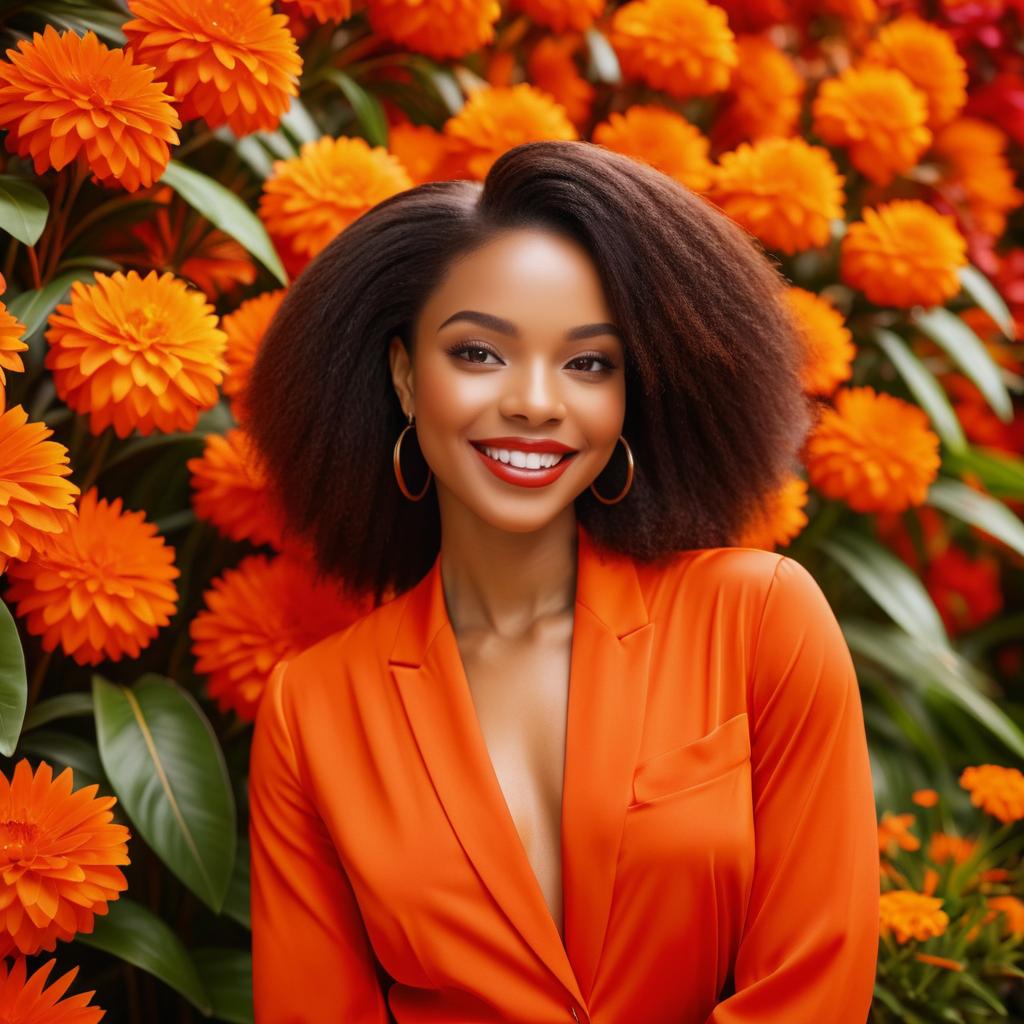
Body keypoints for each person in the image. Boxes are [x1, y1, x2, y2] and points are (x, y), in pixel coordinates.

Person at [242, 140, 880, 1023]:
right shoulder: (312, 711)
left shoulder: (760, 618)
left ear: (631, 395)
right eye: (478, 354)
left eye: (589, 363)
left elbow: (815, 986)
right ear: (403, 375)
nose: (537, 401)